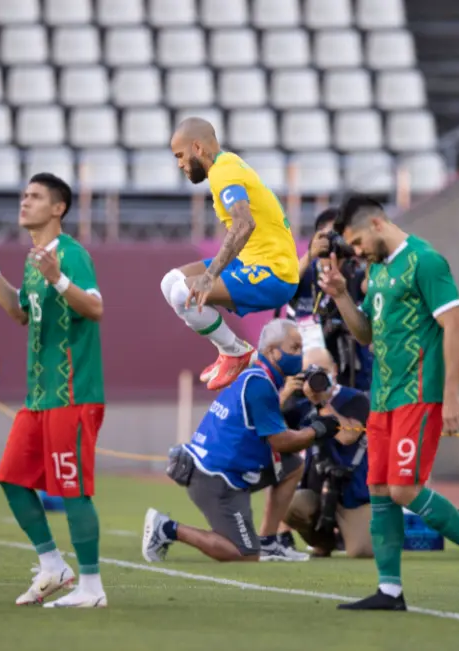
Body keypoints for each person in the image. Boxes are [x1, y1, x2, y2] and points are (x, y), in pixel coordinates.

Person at [318, 195, 459, 612]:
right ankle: (390, 591)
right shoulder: (379, 270)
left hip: (418, 395)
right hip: (383, 399)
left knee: (404, 489)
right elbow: (365, 335)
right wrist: (343, 296)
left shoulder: (426, 261)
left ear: (379, 223)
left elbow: (454, 325)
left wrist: (452, 392)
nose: (357, 252)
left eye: (359, 242)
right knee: (380, 490)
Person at [0, 173, 107, 608]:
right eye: (24, 195)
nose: (25, 201)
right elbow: (21, 312)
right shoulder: (35, 258)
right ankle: (52, 565)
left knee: (73, 489)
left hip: (74, 393)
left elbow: (95, 307)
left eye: (36, 196)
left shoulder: (71, 255)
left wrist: (60, 279)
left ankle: (92, 588)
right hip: (41, 397)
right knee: (11, 478)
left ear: (58, 208)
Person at [140, 319, 333, 563]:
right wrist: (316, 430)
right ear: (273, 351)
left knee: (292, 465)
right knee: (245, 554)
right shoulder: (260, 383)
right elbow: (281, 441)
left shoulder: (261, 377)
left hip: (223, 469)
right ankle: (167, 528)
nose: (300, 354)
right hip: (215, 477)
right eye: (294, 348)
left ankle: (269, 541)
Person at [160, 117, 299, 391]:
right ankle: (230, 352)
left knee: (181, 294)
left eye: (180, 155)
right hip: (252, 259)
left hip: (274, 272)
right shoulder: (227, 163)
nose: (179, 164)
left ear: (197, 148)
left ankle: (236, 352)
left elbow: (244, 224)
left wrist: (210, 276)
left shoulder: (223, 173)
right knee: (169, 282)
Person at [282, 349, 373, 559]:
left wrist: (322, 403)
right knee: (291, 506)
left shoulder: (355, 398)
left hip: (353, 490)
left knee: (362, 551)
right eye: (309, 373)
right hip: (315, 487)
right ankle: (323, 542)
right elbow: (269, 429)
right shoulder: (299, 404)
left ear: (334, 370)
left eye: (321, 371)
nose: (316, 377)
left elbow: (347, 437)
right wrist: (285, 395)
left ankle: (367, 528)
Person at [289, 207, 372, 391]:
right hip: (307, 374)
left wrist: (362, 254)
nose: (337, 241)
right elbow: (283, 287)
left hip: (353, 376)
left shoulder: (357, 276)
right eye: (331, 236)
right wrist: (310, 254)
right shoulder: (306, 274)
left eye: (342, 235)